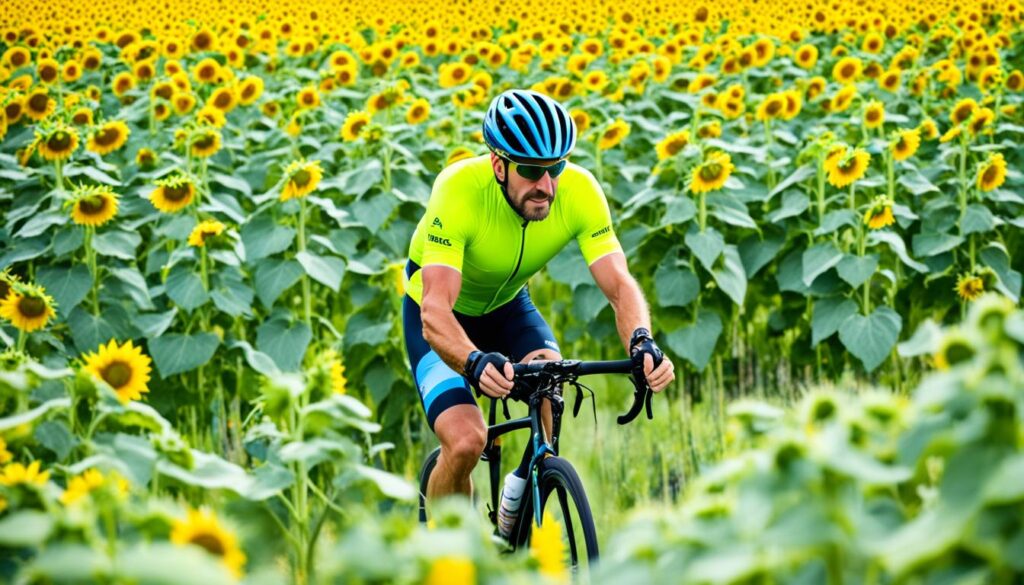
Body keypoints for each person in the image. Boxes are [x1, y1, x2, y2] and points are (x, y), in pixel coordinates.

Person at [402, 88, 675, 538]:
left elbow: (620, 285)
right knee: (468, 440)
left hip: (509, 308)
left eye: (556, 168)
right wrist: (473, 360)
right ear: (498, 165)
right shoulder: (458, 191)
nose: (546, 186)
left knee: (549, 387)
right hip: (440, 316)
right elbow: (435, 310)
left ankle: (519, 504)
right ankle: (445, 552)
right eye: (531, 170)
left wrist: (642, 341)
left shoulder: (580, 191)